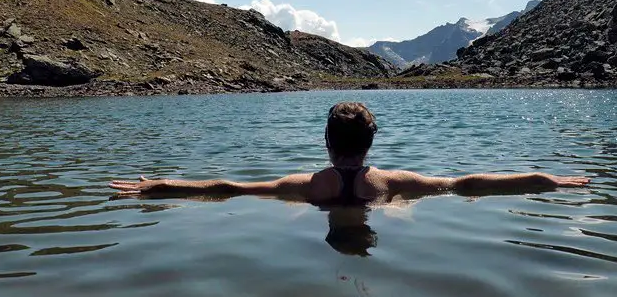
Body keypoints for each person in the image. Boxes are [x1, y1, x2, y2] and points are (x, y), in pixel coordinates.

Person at [109, 102, 590, 202]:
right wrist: (543, 178)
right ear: (371, 143)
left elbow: (227, 188)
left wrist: (162, 186)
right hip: (375, 202)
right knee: (404, 210)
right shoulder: (389, 181)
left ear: (325, 142)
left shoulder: (309, 184)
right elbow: (466, 184)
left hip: (321, 204)